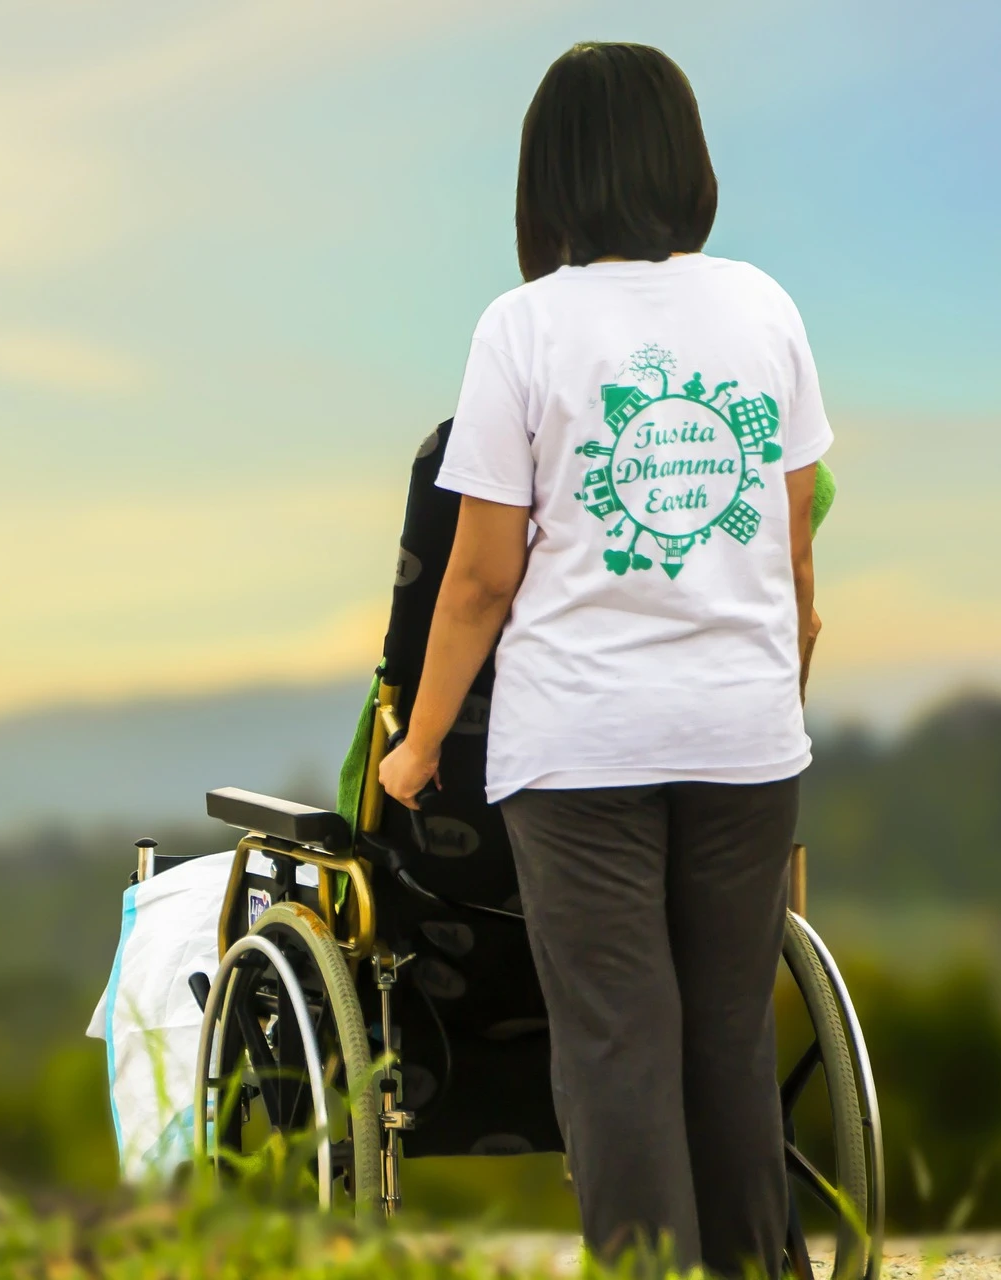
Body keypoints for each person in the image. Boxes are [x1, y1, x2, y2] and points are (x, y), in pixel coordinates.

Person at [377, 42, 831, 1279]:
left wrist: (417, 746)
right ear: (686, 165)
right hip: (744, 738)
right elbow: (794, 561)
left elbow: (476, 578)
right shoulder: (764, 308)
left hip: (582, 750)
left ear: (548, 181)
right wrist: (764, 702)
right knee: (729, 1037)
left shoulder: (523, 328)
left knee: (620, 1043)